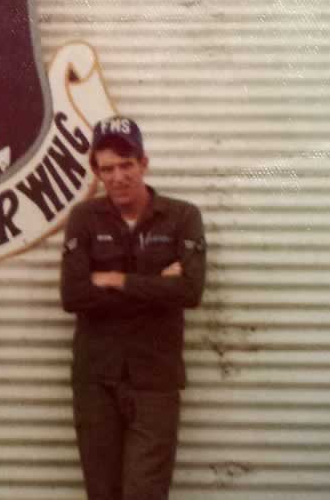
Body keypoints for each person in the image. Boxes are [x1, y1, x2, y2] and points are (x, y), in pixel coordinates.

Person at [60, 116, 207, 500]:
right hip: (96, 381)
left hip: (154, 382)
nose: (118, 176)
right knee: (102, 493)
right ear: (96, 171)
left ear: (144, 162)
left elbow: (190, 290)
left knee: (146, 493)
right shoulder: (84, 219)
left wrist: (116, 280)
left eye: (126, 165)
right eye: (107, 168)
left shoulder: (182, 217)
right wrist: (159, 284)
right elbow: (73, 296)